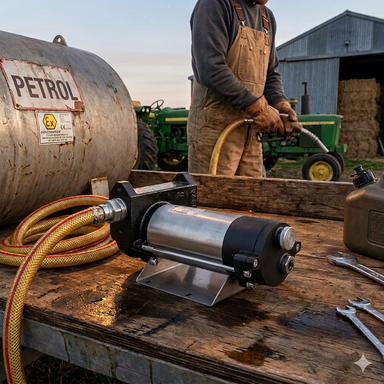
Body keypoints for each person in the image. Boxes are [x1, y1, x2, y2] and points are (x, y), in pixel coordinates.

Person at [187, 0, 302, 177]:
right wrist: (258, 107)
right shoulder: (215, 4)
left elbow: (271, 73)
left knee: (250, 198)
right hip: (215, 129)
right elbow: (211, 68)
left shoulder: (267, 17)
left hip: (252, 129)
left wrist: (281, 106)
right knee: (213, 199)